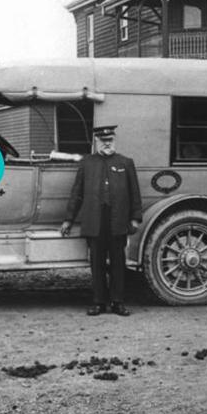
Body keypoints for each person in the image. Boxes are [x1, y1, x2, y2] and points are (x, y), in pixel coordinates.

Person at [60, 125, 142, 316]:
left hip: (118, 221)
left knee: (118, 264)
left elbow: (134, 193)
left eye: (110, 140)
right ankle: (99, 303)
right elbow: (77, 194)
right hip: (94, 221)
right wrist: (68, 220)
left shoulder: (126, 163)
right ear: (96, 142)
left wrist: (135, 218)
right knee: (96, 264)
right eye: (103, 141)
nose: (107, 143)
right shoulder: (87, 163)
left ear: (115, 140)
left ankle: (117, 302)